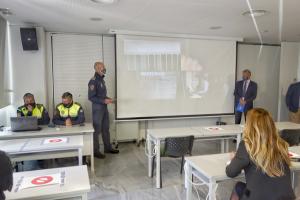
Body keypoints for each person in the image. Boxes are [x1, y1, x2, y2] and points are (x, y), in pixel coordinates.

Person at [226, 108, 295, 200]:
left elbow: (231, 172)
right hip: (286, 198)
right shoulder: (281, 145)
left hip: (258, 197)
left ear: (249, 126)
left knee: (238, 187)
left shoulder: (247, 145)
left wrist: (235, 159)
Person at [88, 61, 119, 159]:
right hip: (97, 109)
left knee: (106, 128)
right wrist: (104, 100)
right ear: (97, 68)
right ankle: (95, 151)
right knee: (96, 130)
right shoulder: (93, 81)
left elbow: (102, 95)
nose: (104, 68)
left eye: (104, 67)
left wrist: (109, 100)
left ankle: (107, 148)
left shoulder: (101, 80)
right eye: (102, 67)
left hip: (104, 108)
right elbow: (91, 97)